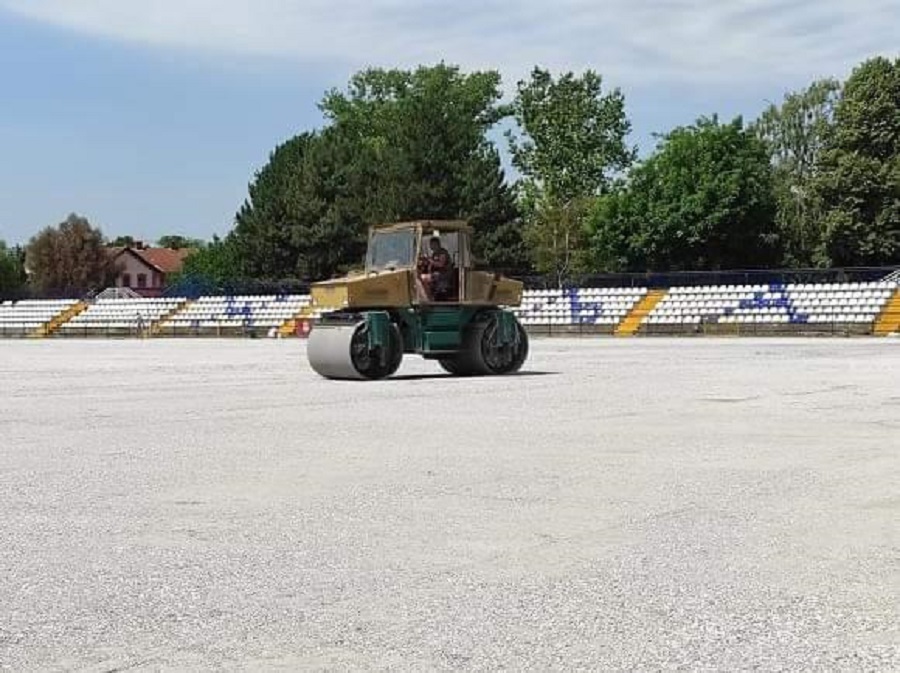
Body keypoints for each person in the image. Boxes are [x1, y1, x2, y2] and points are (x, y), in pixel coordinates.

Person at [419, 236, 454, 301]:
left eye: (432, 244)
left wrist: (430, 260)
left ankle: (428, 298)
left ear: (437, 244)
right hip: (436, 274)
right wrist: (425, 262)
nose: (431, 246)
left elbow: (441, 264)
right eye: (430, 244)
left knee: (423, 278)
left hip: (444, 274)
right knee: (422, 276)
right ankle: (427, 296)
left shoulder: (442, 252)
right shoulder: (434, 254)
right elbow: (431, 265)